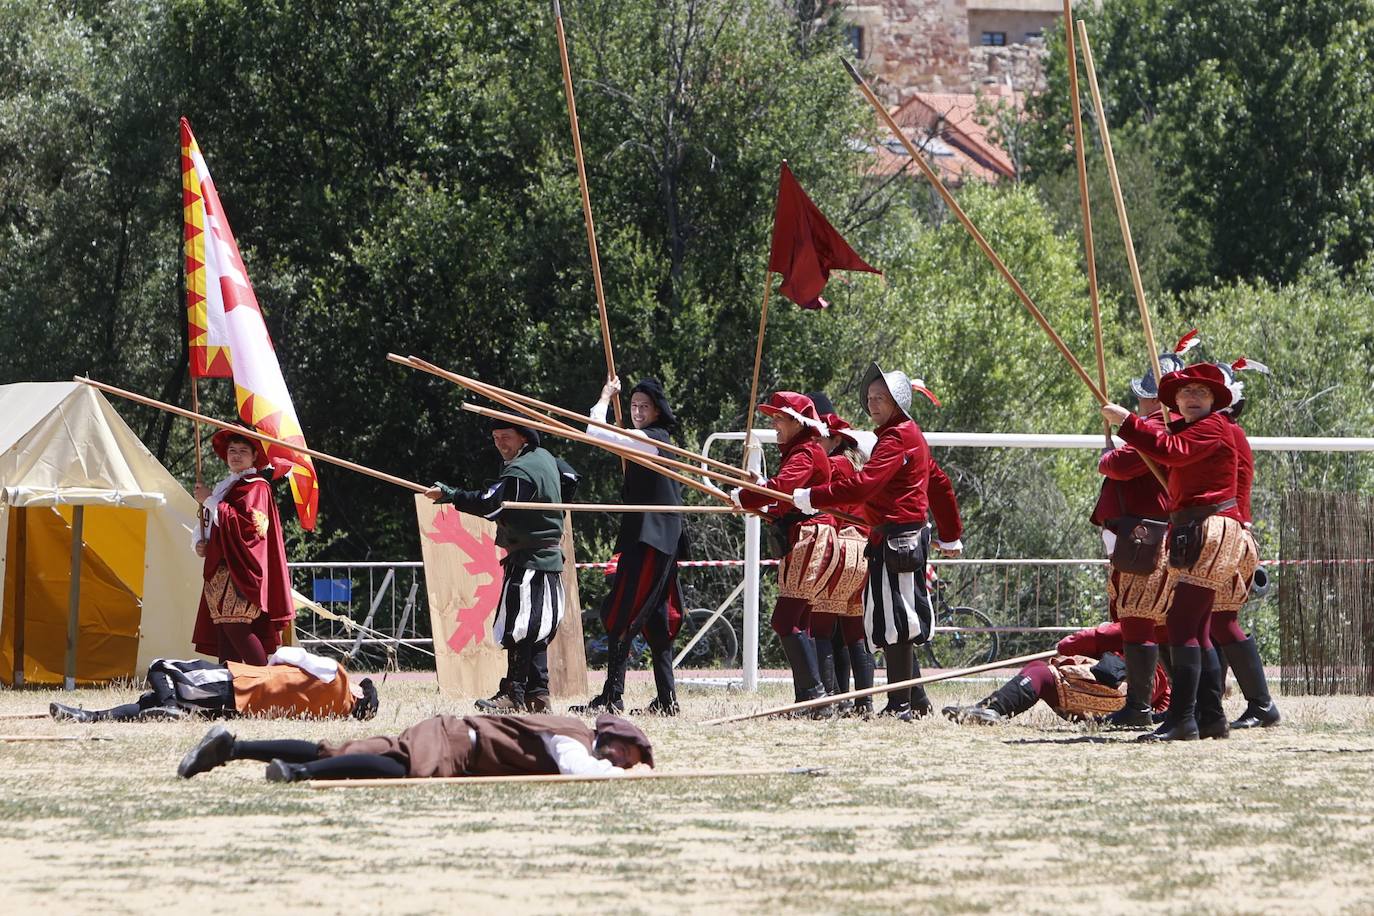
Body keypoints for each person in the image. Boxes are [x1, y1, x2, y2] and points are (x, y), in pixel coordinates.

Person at [794, 363, 963, 721]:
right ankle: (915, 700)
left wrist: (814, 497)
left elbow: (864, 484)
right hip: (894, 536)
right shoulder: (908, 434)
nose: (872, 404)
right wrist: (949, 534)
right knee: (894, 618)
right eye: (870, 398)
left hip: (898, 538)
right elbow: (939, 483)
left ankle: (900, 705)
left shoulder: (898, 436)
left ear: (898, 401)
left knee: (896, 622)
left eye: (880, 398)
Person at [1102, 363, 1257, 742]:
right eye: (1185, 393)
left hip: (1211, 526)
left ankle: (1184, 719)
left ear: (1213, 400)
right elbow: (1169, 448)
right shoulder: (1189, 429)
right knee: (1198, 629)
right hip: (1197, 527)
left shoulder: (1213, 427)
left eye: (1200, 393)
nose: (1191, 398)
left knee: (1182, 625)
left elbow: (1170, 451)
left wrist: (1127, 423)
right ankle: (1210, 716)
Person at [426, 418, 576, 713]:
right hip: (543, 558)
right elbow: (570, 477)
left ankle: (514, 693)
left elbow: (489, 503)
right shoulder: (546, 459)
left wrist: (451, 495)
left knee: (519, 627)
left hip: (532, 560)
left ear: (523, 438)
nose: (500, 444)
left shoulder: (522, 471)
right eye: (495, 437)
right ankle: (537, 694)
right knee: (535, 629)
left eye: (506, 436)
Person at [572, 375, 688, 716]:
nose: (637, 411)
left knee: (622, 610)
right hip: (652, 535)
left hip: (652, 538)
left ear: (657, 411)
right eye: (634, 406)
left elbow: (595, 432)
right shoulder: (642, 439)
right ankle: (666, 700)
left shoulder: (652, 439)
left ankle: (613, 696)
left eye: (644, 406)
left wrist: (606, 396)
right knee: (653, 619)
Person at [177, 712, 654, 783]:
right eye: (626, 755)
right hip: (456, 744)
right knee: (401, 772)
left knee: (336, 747)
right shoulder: (573, 738)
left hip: (446, 730)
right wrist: (630, 777)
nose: (620, 761)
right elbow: (579, 772)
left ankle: (232, 748)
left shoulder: (569, 730)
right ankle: (297, 775)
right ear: (614, 740)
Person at [731, 392, 837, 708]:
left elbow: (781, 490)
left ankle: (816, 697)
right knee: (798, 620)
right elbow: (782, 499)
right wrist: (755, 492)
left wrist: (746, 497)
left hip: (810, 535)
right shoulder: (800, 451)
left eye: (780, 418)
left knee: (785, 619)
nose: (775, 424)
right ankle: (808, 698)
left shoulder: (805, 451)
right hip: (806, 534)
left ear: (797, 421)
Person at [1091, 357, 1178, 728]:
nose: (1142, 402)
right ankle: (1178, 702)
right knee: (1157, 626)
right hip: (1139, 532)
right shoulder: (1152, 425)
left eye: (1147, 397)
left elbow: (1122, 464)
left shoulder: (1160, 426)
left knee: (1141, 620)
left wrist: (1110, 455)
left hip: (1148, 534)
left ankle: (1139, 707)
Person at [1208, 359, 1280, 729]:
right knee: (1211, 620)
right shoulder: (1221, 430)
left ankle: (1262, 704)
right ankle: (1212, 705)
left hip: (1229, 534)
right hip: (1222, 532)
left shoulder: (1225, 432)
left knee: (1222, 620)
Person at [191, 427, 294, 667]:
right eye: (232, 450)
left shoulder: (257, 487)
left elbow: (248, 528)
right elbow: (209, 520)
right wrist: (199, 541)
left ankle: (266, 685)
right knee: (226, 633)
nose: (236, 455)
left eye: (243, 451)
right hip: (220, 571)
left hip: (242, 572)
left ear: (254, 456)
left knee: (236, 627)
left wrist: (208, 499)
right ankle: (230, 697)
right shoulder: (224, 486)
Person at [48, 647, 378, 722]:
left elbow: (290, 654)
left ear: (360, 693)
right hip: (236, 710)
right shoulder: (331, 714)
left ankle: (171, 706)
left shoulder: (335, 672)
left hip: (240, 683)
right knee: (148, 703)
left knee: (160, 666)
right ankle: (87, 717)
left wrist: (273, 664)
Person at [943, 620, 1170, 724]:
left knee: (1043, 676)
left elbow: (1074, 643)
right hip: (1134, 692)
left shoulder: (1143, 619)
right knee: (1038, 669)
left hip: (1124, 689)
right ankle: (987, 709)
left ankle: (993, 710)